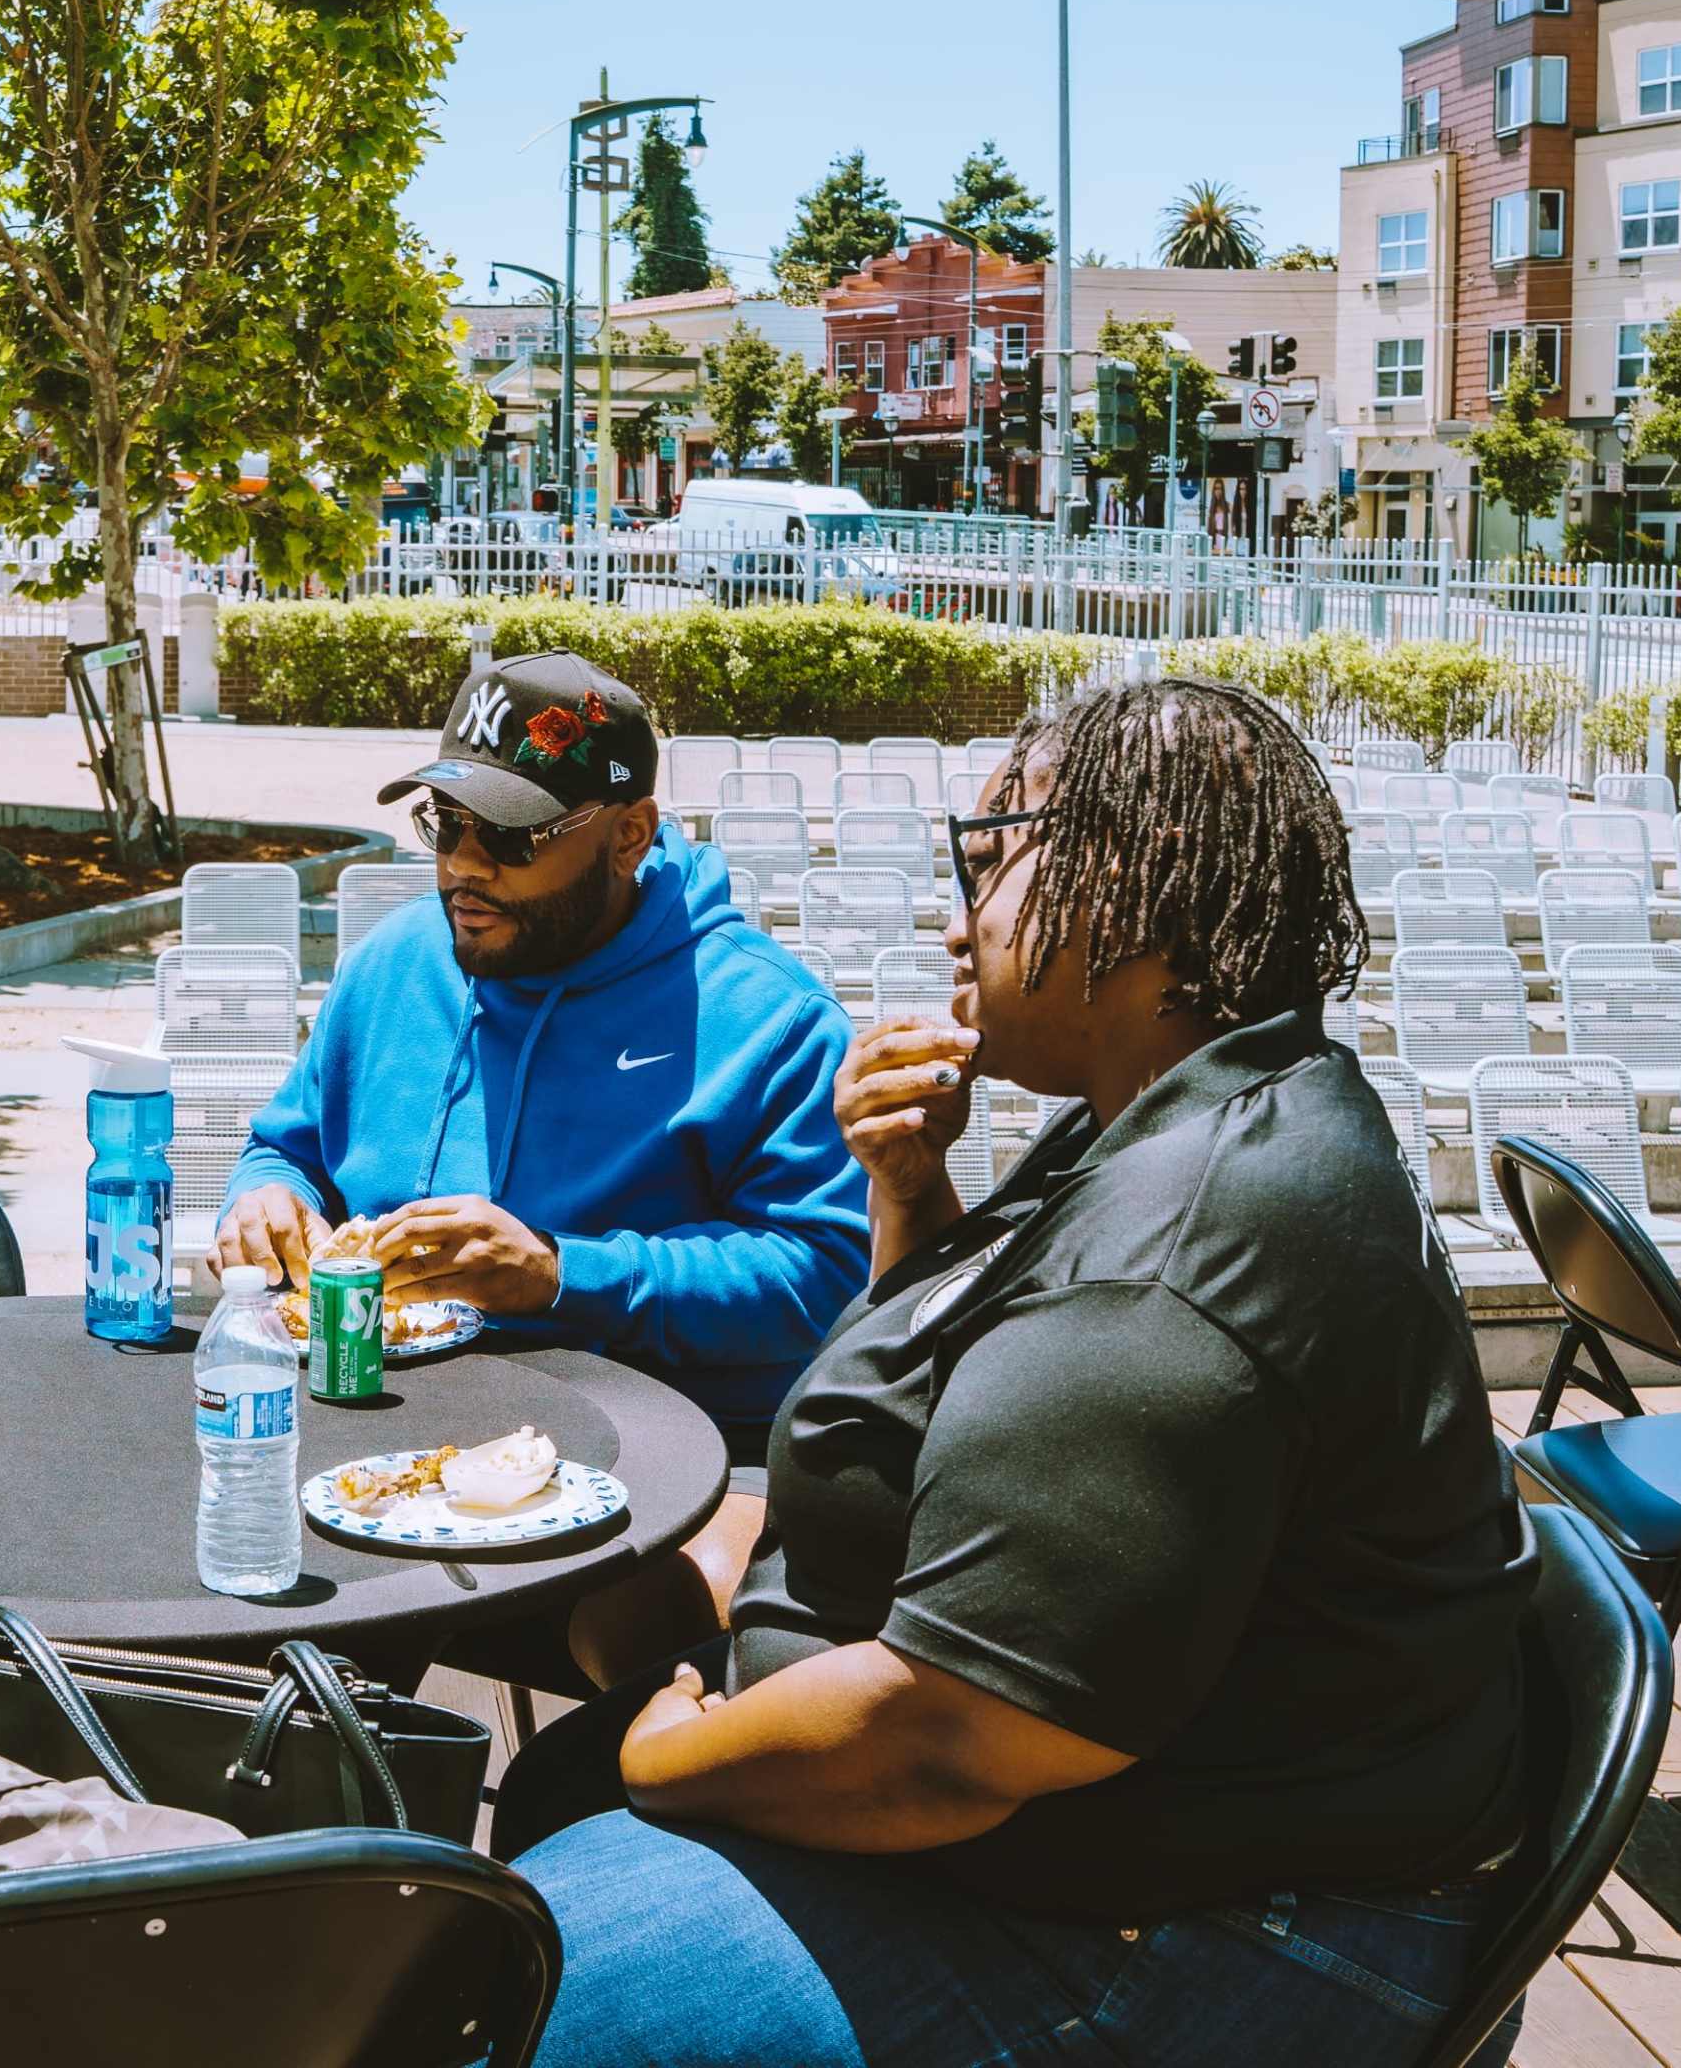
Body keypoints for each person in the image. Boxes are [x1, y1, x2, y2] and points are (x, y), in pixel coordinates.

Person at [493, 678, 1537, 2068]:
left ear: (1126, 884)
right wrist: (907, 1184)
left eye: (986, 856)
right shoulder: (1198, 1100)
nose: (955, 908)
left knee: (466, 1977)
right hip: (1086, 1834)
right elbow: (948, 1391)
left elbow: (941, 1742)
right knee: (555, 1778)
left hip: (1211, 1939)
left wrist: (667, 1748)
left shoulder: (1180, 1240)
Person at [213, 651, 868, 1685]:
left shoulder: (768, 1018)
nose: (465, 867)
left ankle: (579, 1840)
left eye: (512, 838)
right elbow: (286, 1145)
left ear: (630, 834)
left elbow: (821, 1279)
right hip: (401, 1418)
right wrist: (266, 1197)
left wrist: (562, 1274)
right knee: (222, 1547)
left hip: (691, 1443)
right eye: (445, 825)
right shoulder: (397, 960)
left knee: (641, 1623)